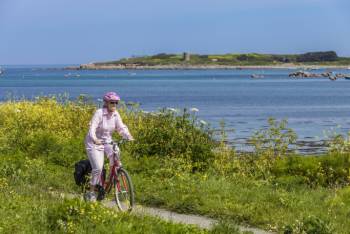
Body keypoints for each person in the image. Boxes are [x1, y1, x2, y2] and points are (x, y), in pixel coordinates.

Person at [84, 91, 134, 201]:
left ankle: (109, 179)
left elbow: (121, 127)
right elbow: (92, 128)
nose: (114, 105)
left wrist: (128, 135)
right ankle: (91, 192)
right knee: (98, 167)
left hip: (107, 141)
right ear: (106, 103)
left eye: (116, 103)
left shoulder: (116, 114)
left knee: (117, 154)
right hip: (94, 142)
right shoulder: (99, 113)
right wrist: (95, 139)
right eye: (112, 102)